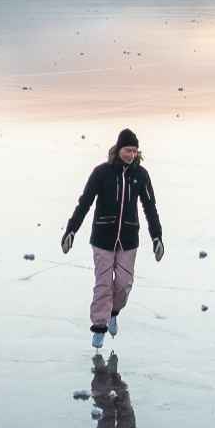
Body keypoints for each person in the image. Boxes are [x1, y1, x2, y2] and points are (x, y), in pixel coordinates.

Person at [61, 128, 163, 347]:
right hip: (102, 239)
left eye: (135, 151)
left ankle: (113, 311)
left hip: (128, 240)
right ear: (118, 149)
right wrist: (71, 230)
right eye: (128, 150)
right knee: (103, 285)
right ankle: (99, 326)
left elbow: (150, 207)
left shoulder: (141, 175)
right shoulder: (102, 173)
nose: (131, 155)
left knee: (124, 285)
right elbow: (85, 202)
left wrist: (157, 237)